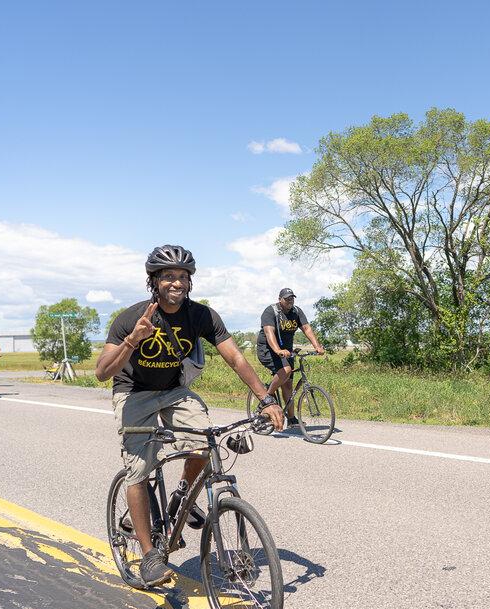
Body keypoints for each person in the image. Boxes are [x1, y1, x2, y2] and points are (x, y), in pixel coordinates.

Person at [95, 244, 284, 588]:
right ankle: (151, 557)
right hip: (133, 392)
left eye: (183, 277)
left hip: (174, 390)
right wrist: (132, 341)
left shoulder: (201, 316)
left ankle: (183, 494)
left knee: (204, 440)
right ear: (154, 281)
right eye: (169, 276)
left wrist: (266, 398)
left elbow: (236, 359)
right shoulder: (129, 318)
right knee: (139, 466)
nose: (177, 283)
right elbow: (102, 372)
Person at [255, 288, 325, 428]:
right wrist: (278, 350)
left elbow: (306, 328)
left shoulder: (296, 312)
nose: (290, 301)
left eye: (292, 298)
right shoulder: (271, 311)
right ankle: (266, 398)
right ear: (280, 299)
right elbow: (270, 333)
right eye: (287, 298)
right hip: (268, 349)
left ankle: (292, 419)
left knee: (288, 384)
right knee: (286, 370)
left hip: (287, 351)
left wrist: (317, 346)